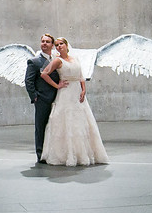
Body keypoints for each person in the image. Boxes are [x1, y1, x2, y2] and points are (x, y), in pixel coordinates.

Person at [39, 37, 109, 166]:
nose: (59, 46)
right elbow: (44, 73)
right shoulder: (57, 61)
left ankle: (84, 153)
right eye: (57, 45)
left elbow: (81, 75)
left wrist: (83, 90)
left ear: (66, 45)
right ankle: (68, 154)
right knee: (67, 122)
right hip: (65, 93)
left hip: (77, 93)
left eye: (61, 44)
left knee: (81, 122)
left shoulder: (75, 58)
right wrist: (56, 85)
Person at [24, 34, 68, 163]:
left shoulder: (57, 59)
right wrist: (35, 97)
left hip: (58, 98)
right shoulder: (34, 61)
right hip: (42, 99)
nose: (44, 43)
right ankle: (41, 155)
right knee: (41, 127)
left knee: (55, 127)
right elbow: (28, 81)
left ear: (52, 45)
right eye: (42, 41)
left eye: (47, 42)